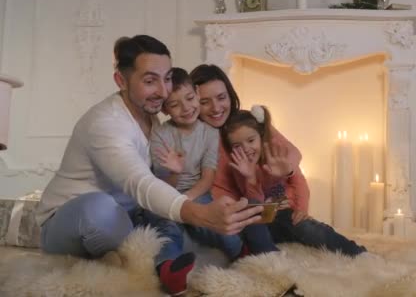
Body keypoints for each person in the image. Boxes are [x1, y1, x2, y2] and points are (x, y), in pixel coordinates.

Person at [35, 36, 262, 296]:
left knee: (182, 235)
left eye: (167, 78)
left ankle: (153, 260)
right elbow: (140, 182)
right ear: (121, 80)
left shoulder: (156, 121)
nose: (164, 92)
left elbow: (164, 182)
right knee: (101, 211)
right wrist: (198, 213)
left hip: (134, 215)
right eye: (150, 80)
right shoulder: (106, 123)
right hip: (73, 220)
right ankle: (132, 259)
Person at [220, 105, 367, 256]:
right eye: (238, 146)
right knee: (251, 225)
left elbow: (299, 182)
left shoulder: (277, 156)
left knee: (308, 228)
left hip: (284, 214)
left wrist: (301, 210)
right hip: (262, 222)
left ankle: (357, 252)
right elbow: (255, 207)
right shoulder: (240, 168)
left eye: (251, 140)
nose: (246, 149)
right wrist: (250, 179)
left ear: (260, 136)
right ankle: (272, 258)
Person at [189, 64, 310, 225]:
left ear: (230, 96)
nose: (216, 108)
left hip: (278, 206)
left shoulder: (247, 124)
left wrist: (285, 190)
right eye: (205, 102)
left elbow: (293, 155)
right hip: (238, 217)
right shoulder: (196, 137)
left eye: (221, 97)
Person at [150, 67, 242, 260]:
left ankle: (242, 254)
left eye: (190, 99)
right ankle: (168, 268)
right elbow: (160, 186)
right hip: (167, 194)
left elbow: (208, 178)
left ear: (197, 94)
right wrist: (175, 173)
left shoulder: (209, 132)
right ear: (165, 109)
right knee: (167, 230)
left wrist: (187, 202)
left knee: (226, 233)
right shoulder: (160, 134)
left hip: (198, 193)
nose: (186, 108)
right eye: (175, 104)